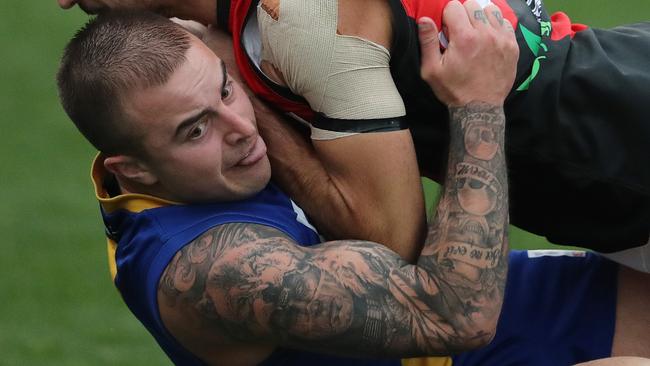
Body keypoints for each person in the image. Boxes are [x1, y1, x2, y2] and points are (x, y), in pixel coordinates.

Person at [56, 9, 650, 366]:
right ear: (133, 170)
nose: (241, 129)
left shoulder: (201, 161)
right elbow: (456, 315)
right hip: (466, 330)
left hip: (523, 307)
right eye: (195, 129)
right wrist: (476, 105)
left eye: (226, 90)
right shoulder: (211, 268)